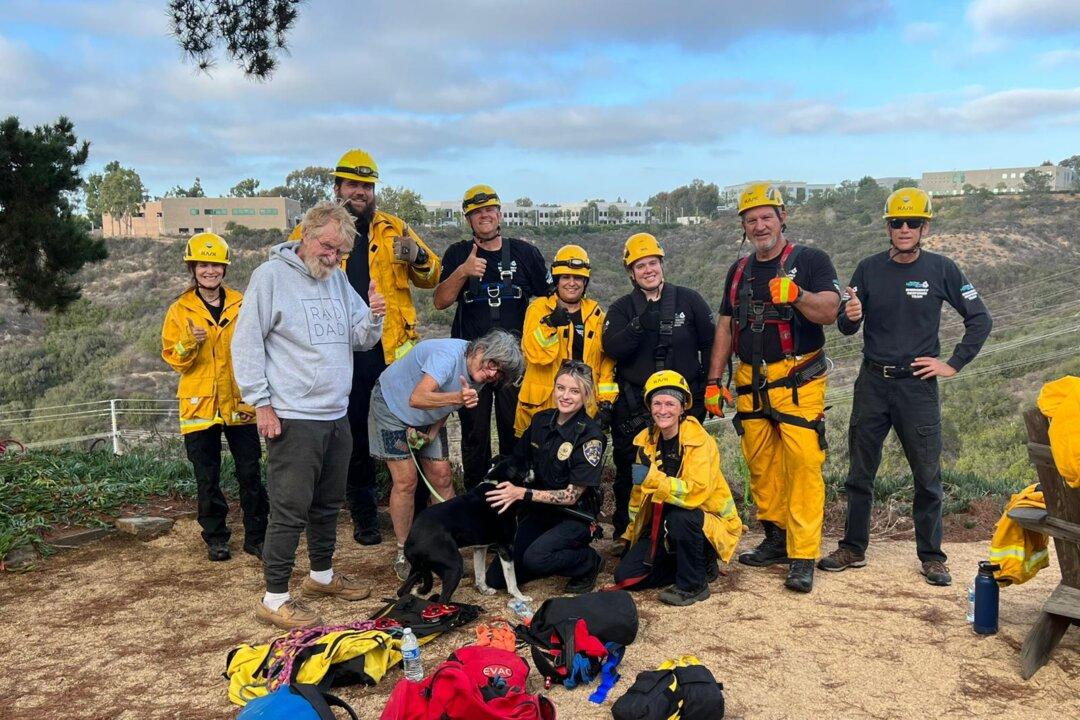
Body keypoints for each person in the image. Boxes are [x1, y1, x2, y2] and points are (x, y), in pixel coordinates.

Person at [818, 187, 991, 587]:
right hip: (873, 383)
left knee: (927, 477)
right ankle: (853, 548)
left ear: (925, 226)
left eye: (913, 222)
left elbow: (980, 319)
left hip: (917, 387)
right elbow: (846, 326)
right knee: (860, 473)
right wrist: (850, 315)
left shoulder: (942, 269)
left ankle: (932, 557)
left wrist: (952, 364)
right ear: (888, 227)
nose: (905, 229)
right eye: (897, 222)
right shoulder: (868, 268)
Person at [232, 202, 386, 630]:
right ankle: (275, 596)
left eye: (340, 252)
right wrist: (261, 403)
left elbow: (359, 338)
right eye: (328, 246)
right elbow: (246, 343)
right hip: (292, 415)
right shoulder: (270, 277)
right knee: (290, 507)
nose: (333, 257)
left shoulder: (337, 280)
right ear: (306, 233)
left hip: (335, 412)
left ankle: (321, 576)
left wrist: (374, 316)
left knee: (327, 503)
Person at [290, 149, 441, 546]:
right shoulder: (310, 230)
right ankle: (364, 514)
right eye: (352, 184)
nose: (360, 192)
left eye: (367, 186)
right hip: (341, 348)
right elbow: (291, 273)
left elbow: (432, 276)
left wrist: (419, 256)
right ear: (337, 187)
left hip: (392, 349)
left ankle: (424, 514)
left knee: (413, 425)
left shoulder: (395, 228)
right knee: (352, 432)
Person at [706, 183, 840, 593]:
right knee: (761, 465)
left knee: (802, 466)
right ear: (743, 227)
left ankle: (802, 555)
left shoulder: (811, 260)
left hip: (798, 380)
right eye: (751, 220)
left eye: (767, 217)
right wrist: (714, 381)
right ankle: (777, 537)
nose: (760, 226)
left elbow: (831, 311)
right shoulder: (740, 271)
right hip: (750, 380)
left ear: (783, 217)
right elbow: (727, 326)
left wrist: (798, 295)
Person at [369, 329, 524, 580]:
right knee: (407, 480)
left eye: (501, 373)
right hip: (392, 407)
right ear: (481, 350)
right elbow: (417, 397)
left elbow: (449, 405)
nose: (494, 373)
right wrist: (458, 397)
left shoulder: (481, 375)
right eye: (493, 364)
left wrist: (431, 432)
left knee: (442, 476)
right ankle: (404, 551)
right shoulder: (447, 357)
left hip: (429, 415)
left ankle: (445, 544)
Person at [161, 232, 269, 562]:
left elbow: (258, 344)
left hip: (240, 401)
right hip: (200, 405)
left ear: (224, 269)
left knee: (250, 472)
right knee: (206, 478)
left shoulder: (243, 302)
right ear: (193, 268)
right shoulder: (180, 309)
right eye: (204, 265)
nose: (211, 271)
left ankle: (257, 536)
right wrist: (190, 343)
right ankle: (216, 537)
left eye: (216, 265)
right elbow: (173, 359)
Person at [601, 233, 715, 543]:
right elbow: (612, 347)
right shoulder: (623, 308)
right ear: (631, 273)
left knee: (684, 467)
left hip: (682, 402)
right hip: (635, 405)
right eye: (640, 266)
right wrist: (640, 324)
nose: (648, 270)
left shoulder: (688, 300)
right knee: (631, 470)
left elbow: (711, 343)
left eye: (653, 263)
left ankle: (683, 533)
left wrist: (711, 387)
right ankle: (629, 532)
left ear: (661, 264)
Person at [433, 184, 549, 488]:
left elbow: (550, 299)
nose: (484, 216)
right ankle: (477, 501)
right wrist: (463, 272)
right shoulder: (458, 253)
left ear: (499, 214)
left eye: (489, 210)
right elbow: (440, 301)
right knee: (475, 438)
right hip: (473, 364)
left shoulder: (526, 253)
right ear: (468, 218)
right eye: (476, 212)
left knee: (516, 434)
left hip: (514, 364)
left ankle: (514, 504)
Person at [613, 371, 743, 606]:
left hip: (705, 521)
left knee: (681, 518)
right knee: (625, 575)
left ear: (683, 408)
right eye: (657, 403)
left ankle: (694, 585)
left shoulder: (700, 440)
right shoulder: (645, 441)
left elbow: (695, 493)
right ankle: (695, 566)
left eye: (670, 403)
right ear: (649, 407)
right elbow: (637, 497)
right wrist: (630, 537)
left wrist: (653, 479)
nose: (663, 410)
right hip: (662, 525)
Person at [485, 360, 607, 593]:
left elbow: (571, 496)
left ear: (586, 395)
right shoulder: (541, 420)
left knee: (536, 559)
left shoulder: (591, 436)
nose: (565, 396)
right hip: (539, 511)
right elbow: (517, 461)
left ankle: (589, 562)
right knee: (496, 579)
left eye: (574, 391)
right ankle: (540, 556)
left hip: (574, 516)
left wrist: (522, 493)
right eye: (560, 388)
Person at [516, 244, 617, 435]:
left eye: (578, 278)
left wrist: (606, 402)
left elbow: (605, 364)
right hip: (543, 409)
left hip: (583, 408)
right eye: (566, 277)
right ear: (557, 280)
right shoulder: (538, 309)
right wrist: (550, 324)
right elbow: (535, 355)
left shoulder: (597, 315)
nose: (572, 283)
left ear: (585, 282)